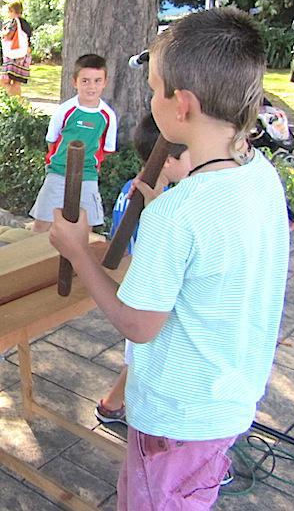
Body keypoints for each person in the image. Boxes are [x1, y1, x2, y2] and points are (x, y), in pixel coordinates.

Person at [49, 7, 289, 510]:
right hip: (227, 400)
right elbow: (215, 248)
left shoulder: (178, 214)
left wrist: (78, 250)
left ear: (181, 105)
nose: (150, 98)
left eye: (154, 88)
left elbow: (137, 325)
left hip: (175, 417)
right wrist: (171, 212)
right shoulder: (260, 175)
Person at [95, 113, 190, 426]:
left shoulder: (137, 189)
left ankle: (112, 404)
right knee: (140, 355)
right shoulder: (158, 201)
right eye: (188, 155)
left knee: (136, 356)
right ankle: (116, 406)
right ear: (165, 161)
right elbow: (134, 253)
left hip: (139, 289)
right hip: (143, 292)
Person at [30, 54, 117, 233]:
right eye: (85, 81)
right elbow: (52, 140)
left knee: (86, 228)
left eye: (97, 80)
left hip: (88, 175)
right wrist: (59, 162)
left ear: (105, 82)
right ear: (74, 82)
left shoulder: (108, 116)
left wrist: (90, 165)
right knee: (42, 225)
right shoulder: (65, 110)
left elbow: (107, 150)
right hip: (58, 173)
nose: (91, 86)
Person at [0, 1, 33, 97]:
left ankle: (13, 100)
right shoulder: (26, 24)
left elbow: (8, 36)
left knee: (4, 81)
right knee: (17, 82)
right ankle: (18, 101)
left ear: (12, 11)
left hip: (14, 55)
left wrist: (3, 34)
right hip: (25, 55)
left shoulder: (14, 22)